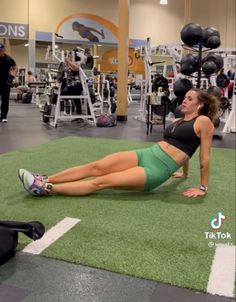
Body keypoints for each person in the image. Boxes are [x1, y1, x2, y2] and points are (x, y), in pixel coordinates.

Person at [18, 88, 219, 198]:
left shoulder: (203, 122)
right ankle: (44, 178)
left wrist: (202, 188)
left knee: (101, 182)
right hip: (146, 154)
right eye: (184, 97)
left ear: (199, 105)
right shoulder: (178, 120)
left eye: (189, 99)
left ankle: (44, 189)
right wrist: (184, 173)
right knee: (95, 166)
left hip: (156, 170)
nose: (184, 100)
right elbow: (186, 148)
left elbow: (204, 156)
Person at [0, 43, 18, 122]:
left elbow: (15, 68)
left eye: (1, 50)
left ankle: (4, 116)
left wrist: (13, 76)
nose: (0, 52)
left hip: (5, 83)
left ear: (4, 50)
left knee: (5, 100)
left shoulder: (9, 59)